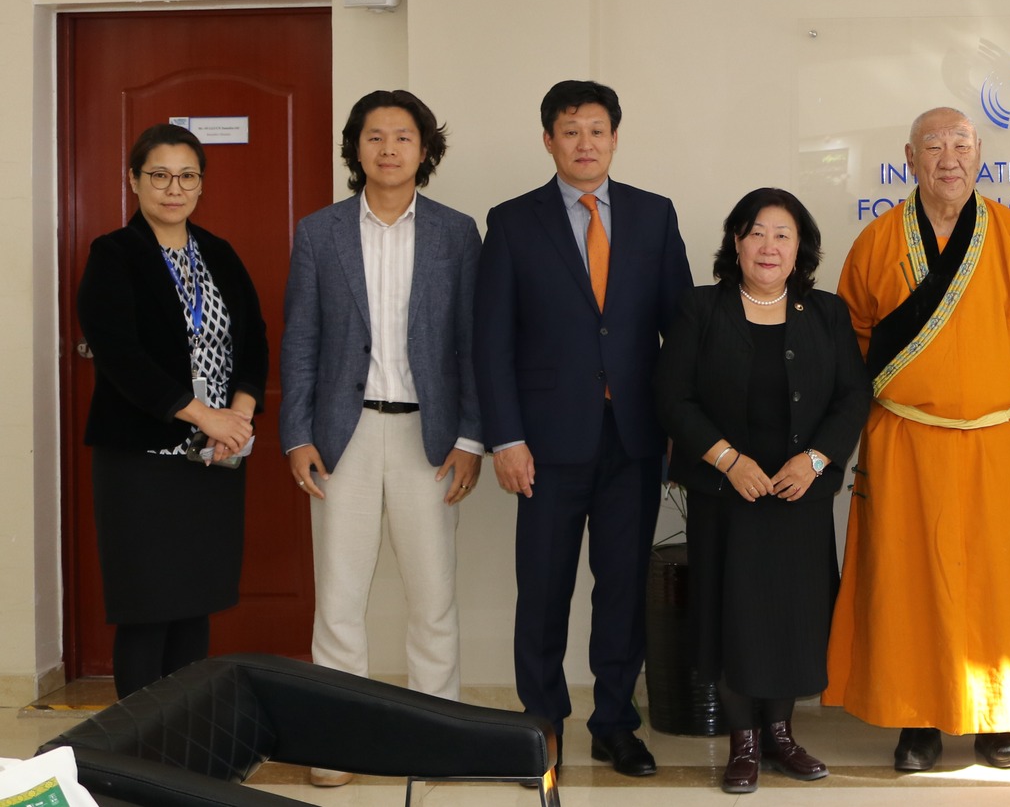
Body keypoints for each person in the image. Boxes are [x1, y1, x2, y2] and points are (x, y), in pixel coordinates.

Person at [824, 107, 1010, 772]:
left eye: (961, 145)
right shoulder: (876, 241)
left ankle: (998, 720)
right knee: (906, 582)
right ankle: (916, 719)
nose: (948, 158)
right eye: (934, 146)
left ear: (979, 155)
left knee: (998, 582)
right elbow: (851, 342)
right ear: (910, 157)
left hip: (992, 442)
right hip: (903, 440)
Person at [475, 80, 691, 776]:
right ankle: (541, 726)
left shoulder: (654, 215)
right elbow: (491, 342)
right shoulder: (512, 222)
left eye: (597, 130)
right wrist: (506, 438)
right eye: (570, 131)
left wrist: (678, 427)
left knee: (623, 588)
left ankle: (615, 723)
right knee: (543, 590)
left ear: (615, 138)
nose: (585, 143)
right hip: (543, 444)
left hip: (634, 439)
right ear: (549, 141)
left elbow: (681, 333)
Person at [278, 90, 482, 785]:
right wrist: (296, 435)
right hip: (346, 435)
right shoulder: (319, 231)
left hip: (432, 435)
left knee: (434, 598)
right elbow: (300, 340)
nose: (388, 148)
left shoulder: (457, 232)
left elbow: (471, 343)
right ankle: (338, 747)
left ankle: (433, 743)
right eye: (374, 136)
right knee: (338, 597)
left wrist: (471, 438)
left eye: (403, 136)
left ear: (425, 150)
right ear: (355, 148)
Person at [656, 189, 870, 794]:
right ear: (736, 242)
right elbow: (672, 396)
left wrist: (816, 459)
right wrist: (727, 460)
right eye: (756, 232)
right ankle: (743, 743)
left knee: (792, 617)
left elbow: (853, 396)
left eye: (782, 234)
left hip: (799, 497)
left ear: (800, 248)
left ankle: (781, 735)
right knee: (733, 616)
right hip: (728, 498)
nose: (768, 246)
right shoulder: (702, 309)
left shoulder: (826, 313)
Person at [77, 123, 267, 696]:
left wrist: (238, 417)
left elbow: (254, 342)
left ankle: (183, 734)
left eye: (187, 176)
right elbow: (121, 355)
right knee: (148, 608)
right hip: (142, 460)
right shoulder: (114, 254)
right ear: (134, 180)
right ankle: (139, 742)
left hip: (214, 459)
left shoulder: (220, 254)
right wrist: (205, 416)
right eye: (159, 175)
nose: (173, 188)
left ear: (202, 184)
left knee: (194, 603)